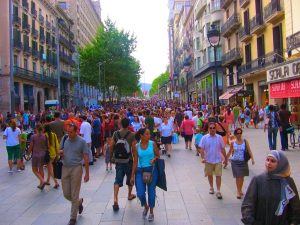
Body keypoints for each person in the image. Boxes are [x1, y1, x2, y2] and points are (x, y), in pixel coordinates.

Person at [241, 150, 300, 225]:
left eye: (273, 161)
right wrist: (251, 221)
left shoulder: (287, 182)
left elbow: (295, 206)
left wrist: (294, 222)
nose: (269, 163)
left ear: (280, 164)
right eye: (267, 160)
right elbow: (248, 204)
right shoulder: (258, 180)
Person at [59, 123, 89, 225]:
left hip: (76, 168)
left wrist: (87, 173)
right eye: (68, 132)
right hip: (65, 167)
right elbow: (61, 149)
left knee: (74, 193)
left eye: (71, 132)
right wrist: (61, 153)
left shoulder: (82, 141)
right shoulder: (65, 139)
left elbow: (85, 157)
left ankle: (73, 217)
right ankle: (79, 202)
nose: (69, 134)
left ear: (76, 131)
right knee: (66, 193)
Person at [131, 128, 160, 222]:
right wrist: (132, 176)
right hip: (140, 171)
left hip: (151, 170)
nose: (149, 135)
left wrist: (154, 159)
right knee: (140, 193)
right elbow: (135, 161)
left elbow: (158, 155)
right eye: (147, 134)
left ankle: (151, 212)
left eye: (149, 134)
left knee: (151, 192)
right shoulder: (136, 146)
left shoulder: (153, 144)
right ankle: (146, 206)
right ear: (141, 136)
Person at [110, 118, 136, 211]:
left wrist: (111, 157)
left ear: (120, 124)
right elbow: (133, 148)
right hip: (128, 160)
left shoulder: (115, 134)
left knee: (117, 180)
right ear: (128, 124)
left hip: (118, 160)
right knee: (130, 178)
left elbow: (111, 145)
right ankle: (129, 195)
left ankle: (115, 199)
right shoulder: (132, 134)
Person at [199, 122, 227, 199]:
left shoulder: (219, 137)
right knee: (210, 174)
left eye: (213, 128)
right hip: (208, 160)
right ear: (208, 129)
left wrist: (225, 158)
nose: (212, 129)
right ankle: (211, 187)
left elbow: (222, 148)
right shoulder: (204, 138)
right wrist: (203, 158)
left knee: (218, 175)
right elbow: (201, 149)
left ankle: (218, 191)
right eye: (210, 128)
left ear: (216, 128)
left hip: (218, 160)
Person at [226, 128, 254, 199]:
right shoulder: (233, 142)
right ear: (235, 134)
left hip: (243, 161)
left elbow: (249, 150)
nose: (239, 135)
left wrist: (252, 159)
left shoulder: (245, 141)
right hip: (235, 161)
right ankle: (238, 191)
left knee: (242, 177)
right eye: (237, 133)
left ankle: (240, 189)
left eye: (240, 133)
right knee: (238, 176)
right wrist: (226, 159)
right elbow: (230, 151)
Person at [28, 123, 48, 190]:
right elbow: (47, 146)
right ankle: (41, 184)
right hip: (43, 154)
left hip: (35, 155)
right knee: (41, 169)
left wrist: (28, 154)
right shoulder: (45, 136)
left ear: (36, 129)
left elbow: (30, 147)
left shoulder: (33, 137)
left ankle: (42, 181)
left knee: (34, 170)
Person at [44, 124, 60, 189]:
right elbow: (57, 144)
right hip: (54, 153)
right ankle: (48, 180)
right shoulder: (54, 134)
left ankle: (56, 182)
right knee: (50, 167)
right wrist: (57, 153)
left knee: (50, 168)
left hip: (48, 153)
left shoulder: (45, 135)